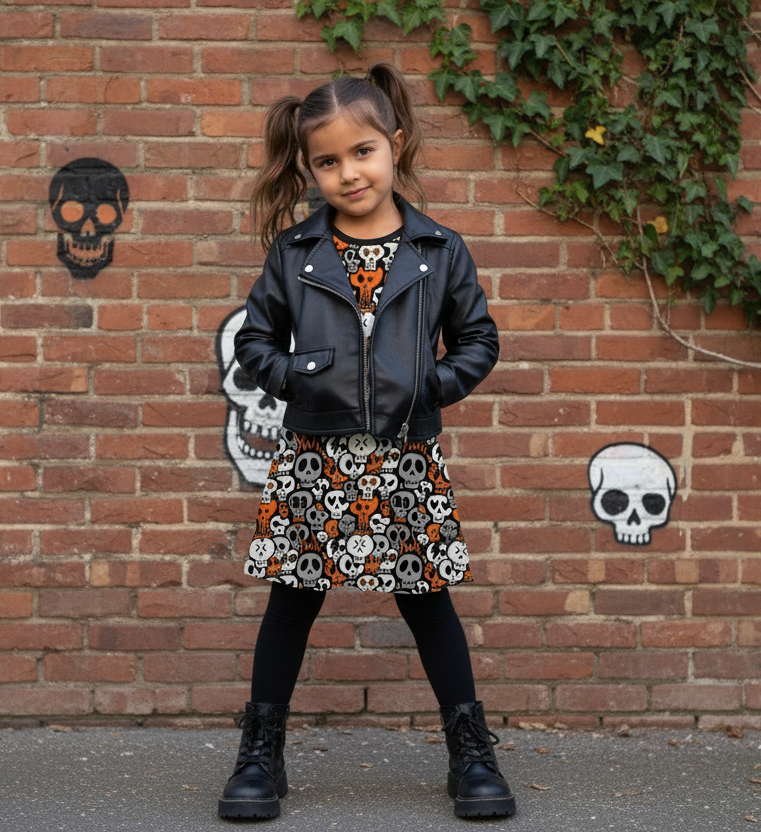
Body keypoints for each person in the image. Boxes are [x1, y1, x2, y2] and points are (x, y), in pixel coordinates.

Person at [217, 63, 514, 821]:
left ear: (395, 144)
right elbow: (255, 342)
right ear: (310, 168)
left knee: (427, 601)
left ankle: (470, 752)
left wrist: (430, 385)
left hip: (406, 454)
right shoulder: (295, 253)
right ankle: (260, 755)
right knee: (293, 600)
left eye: (363, 152)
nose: (348, 172)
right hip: (317, 455)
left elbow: (478, 340)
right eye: (327, 160)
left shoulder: (439, 249)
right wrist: (302, 377)